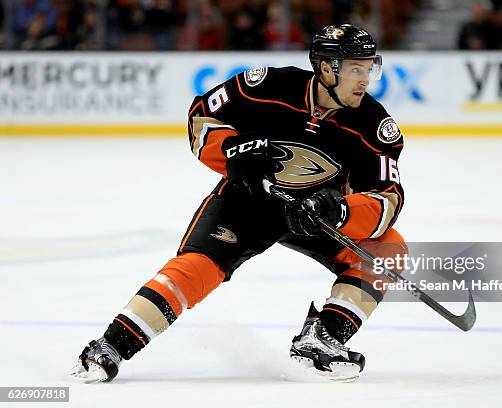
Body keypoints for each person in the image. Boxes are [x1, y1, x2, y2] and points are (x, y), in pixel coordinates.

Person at [70, 23, 406, 383]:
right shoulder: (267, 86)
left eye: (370, 68)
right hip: (247, 202)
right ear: (327, 68)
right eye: (356, 69)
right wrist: (232, 153)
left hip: (310, 215)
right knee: (198, 267)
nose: (365, 79)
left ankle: (322, 339)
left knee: (391, 249)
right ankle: (110, 346)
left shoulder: (374, 125)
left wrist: (340, 210)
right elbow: (201, 118)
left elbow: (388, 198)